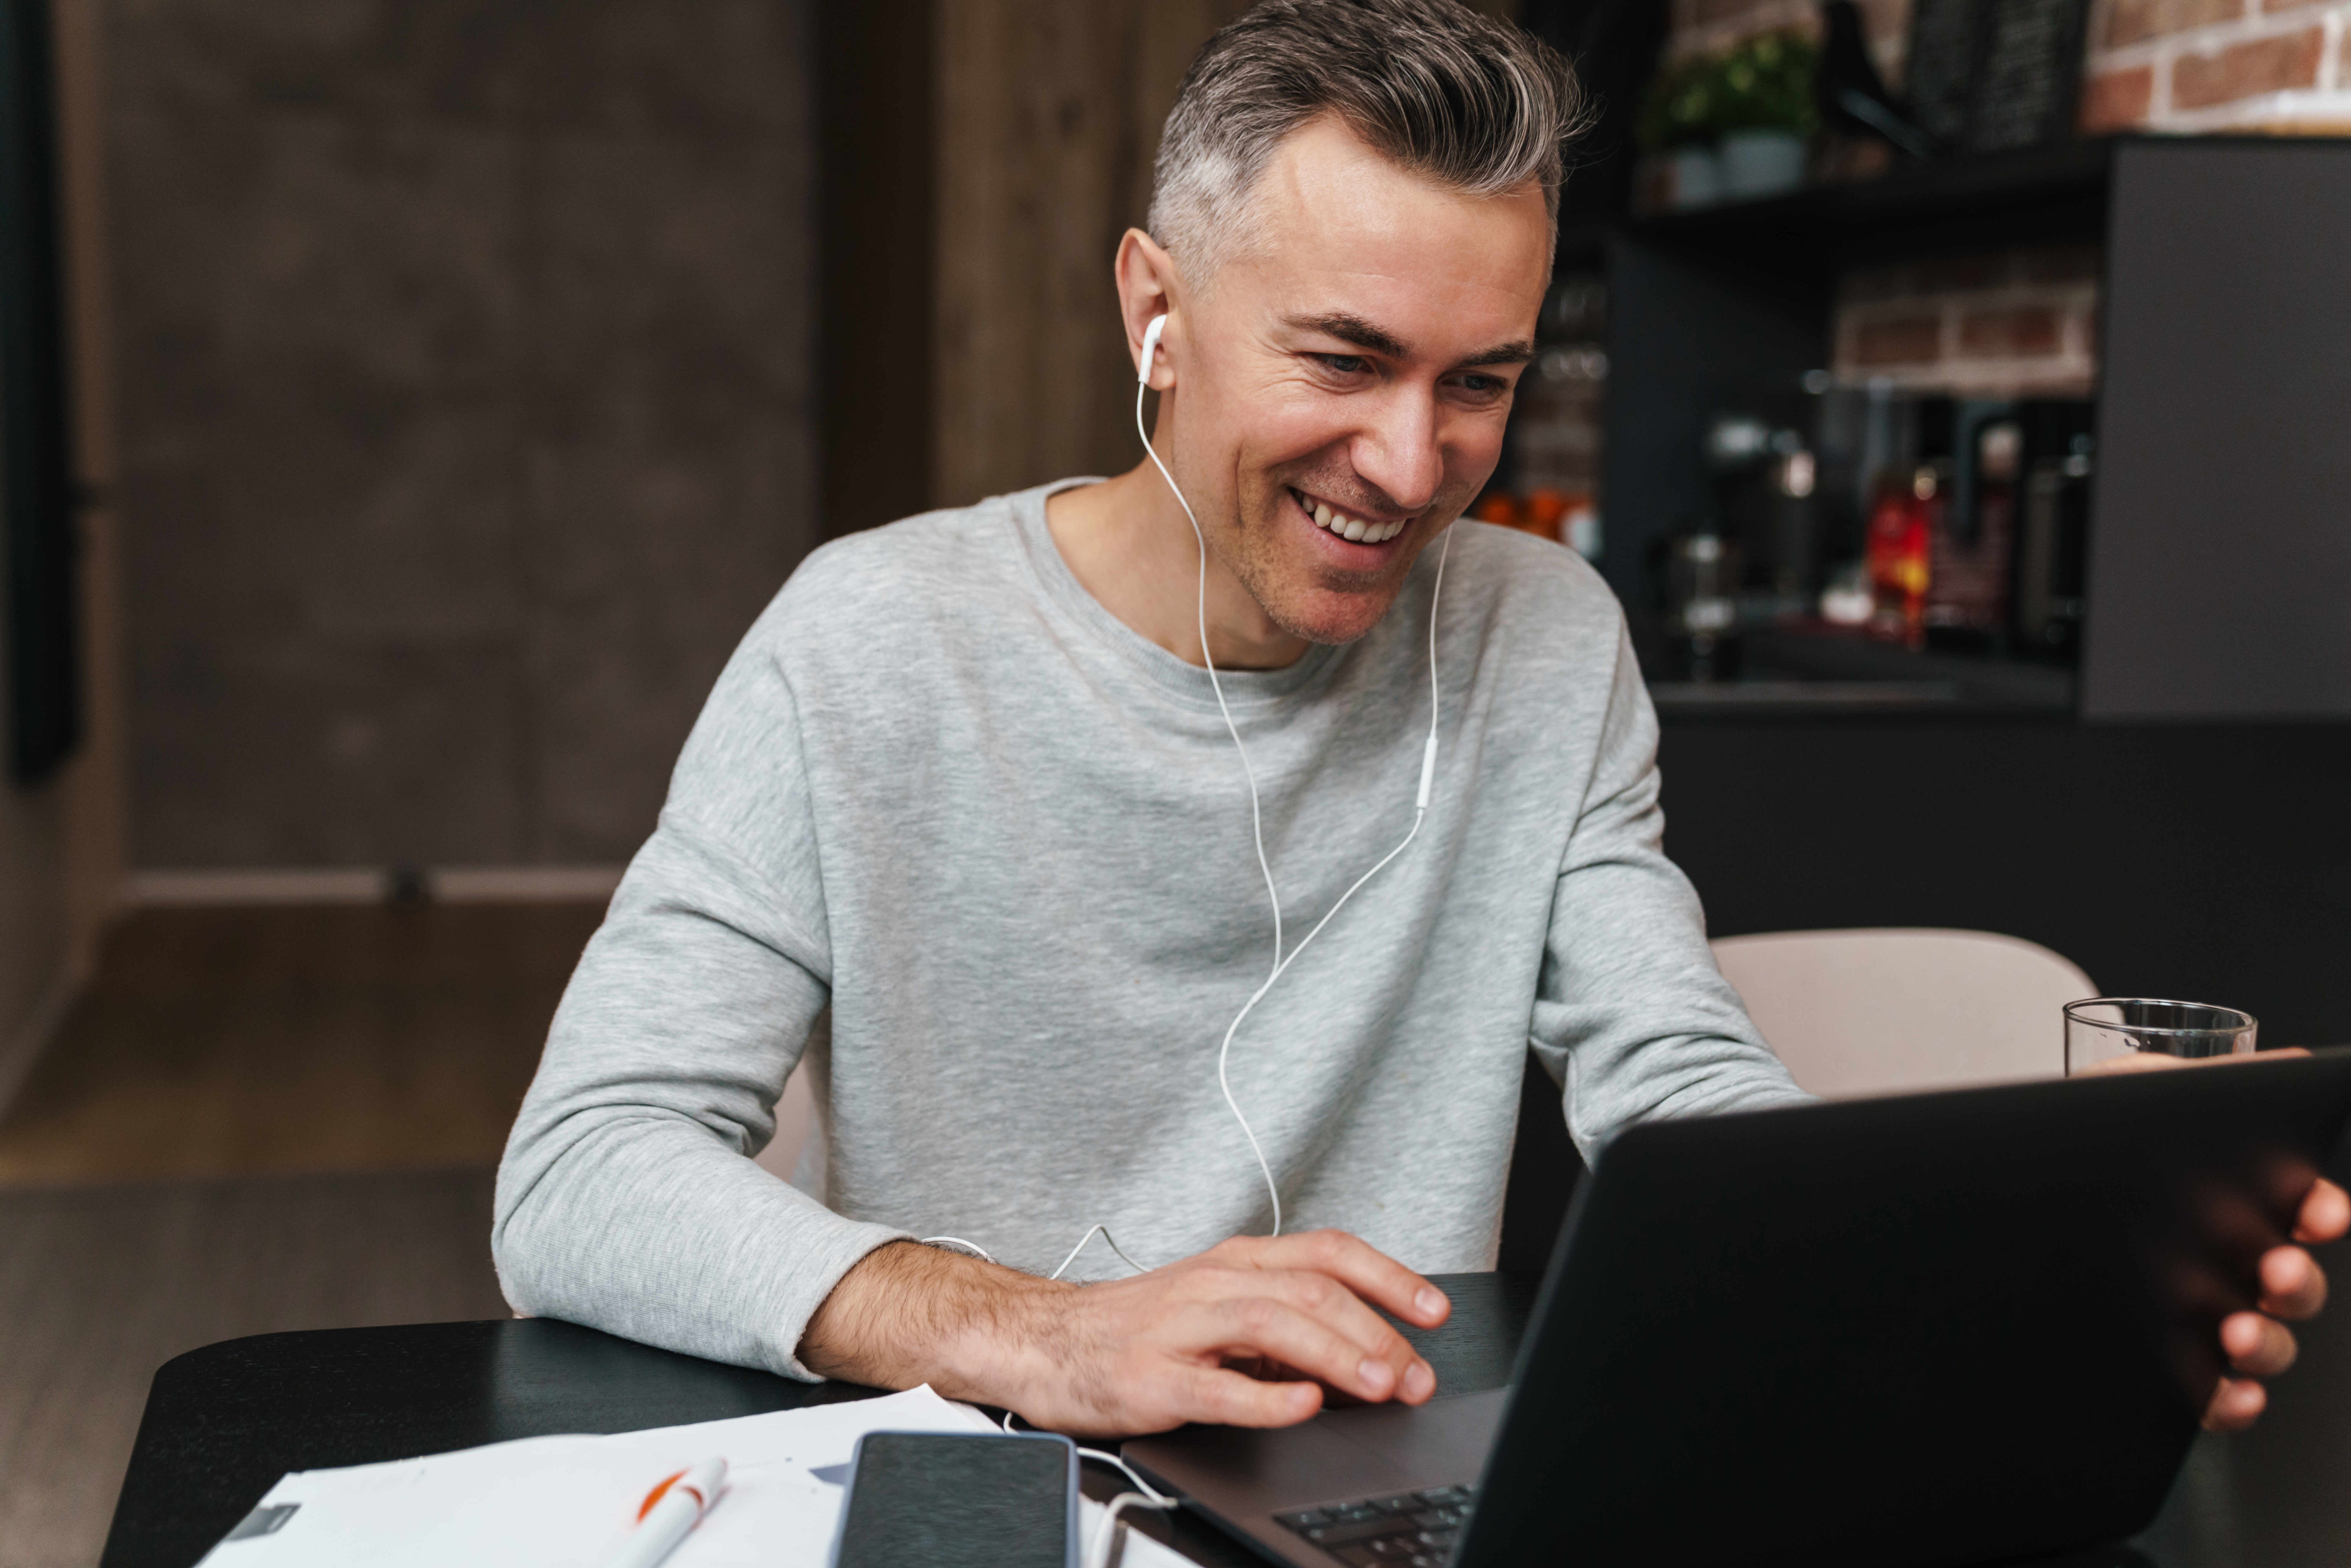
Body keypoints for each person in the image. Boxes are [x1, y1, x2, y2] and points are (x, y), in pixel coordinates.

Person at [494, 0, 2343, 1440]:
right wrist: (1040, 1330)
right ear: (1157, 308)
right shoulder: (868, 640)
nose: (1414, 463)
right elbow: (583, 1173)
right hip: (1003, 1463)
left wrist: (2025, 1289)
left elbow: (1678, 1086)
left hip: (1385, 1479)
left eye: (1484, 382)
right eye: (1347, 359)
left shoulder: (1548, 635)